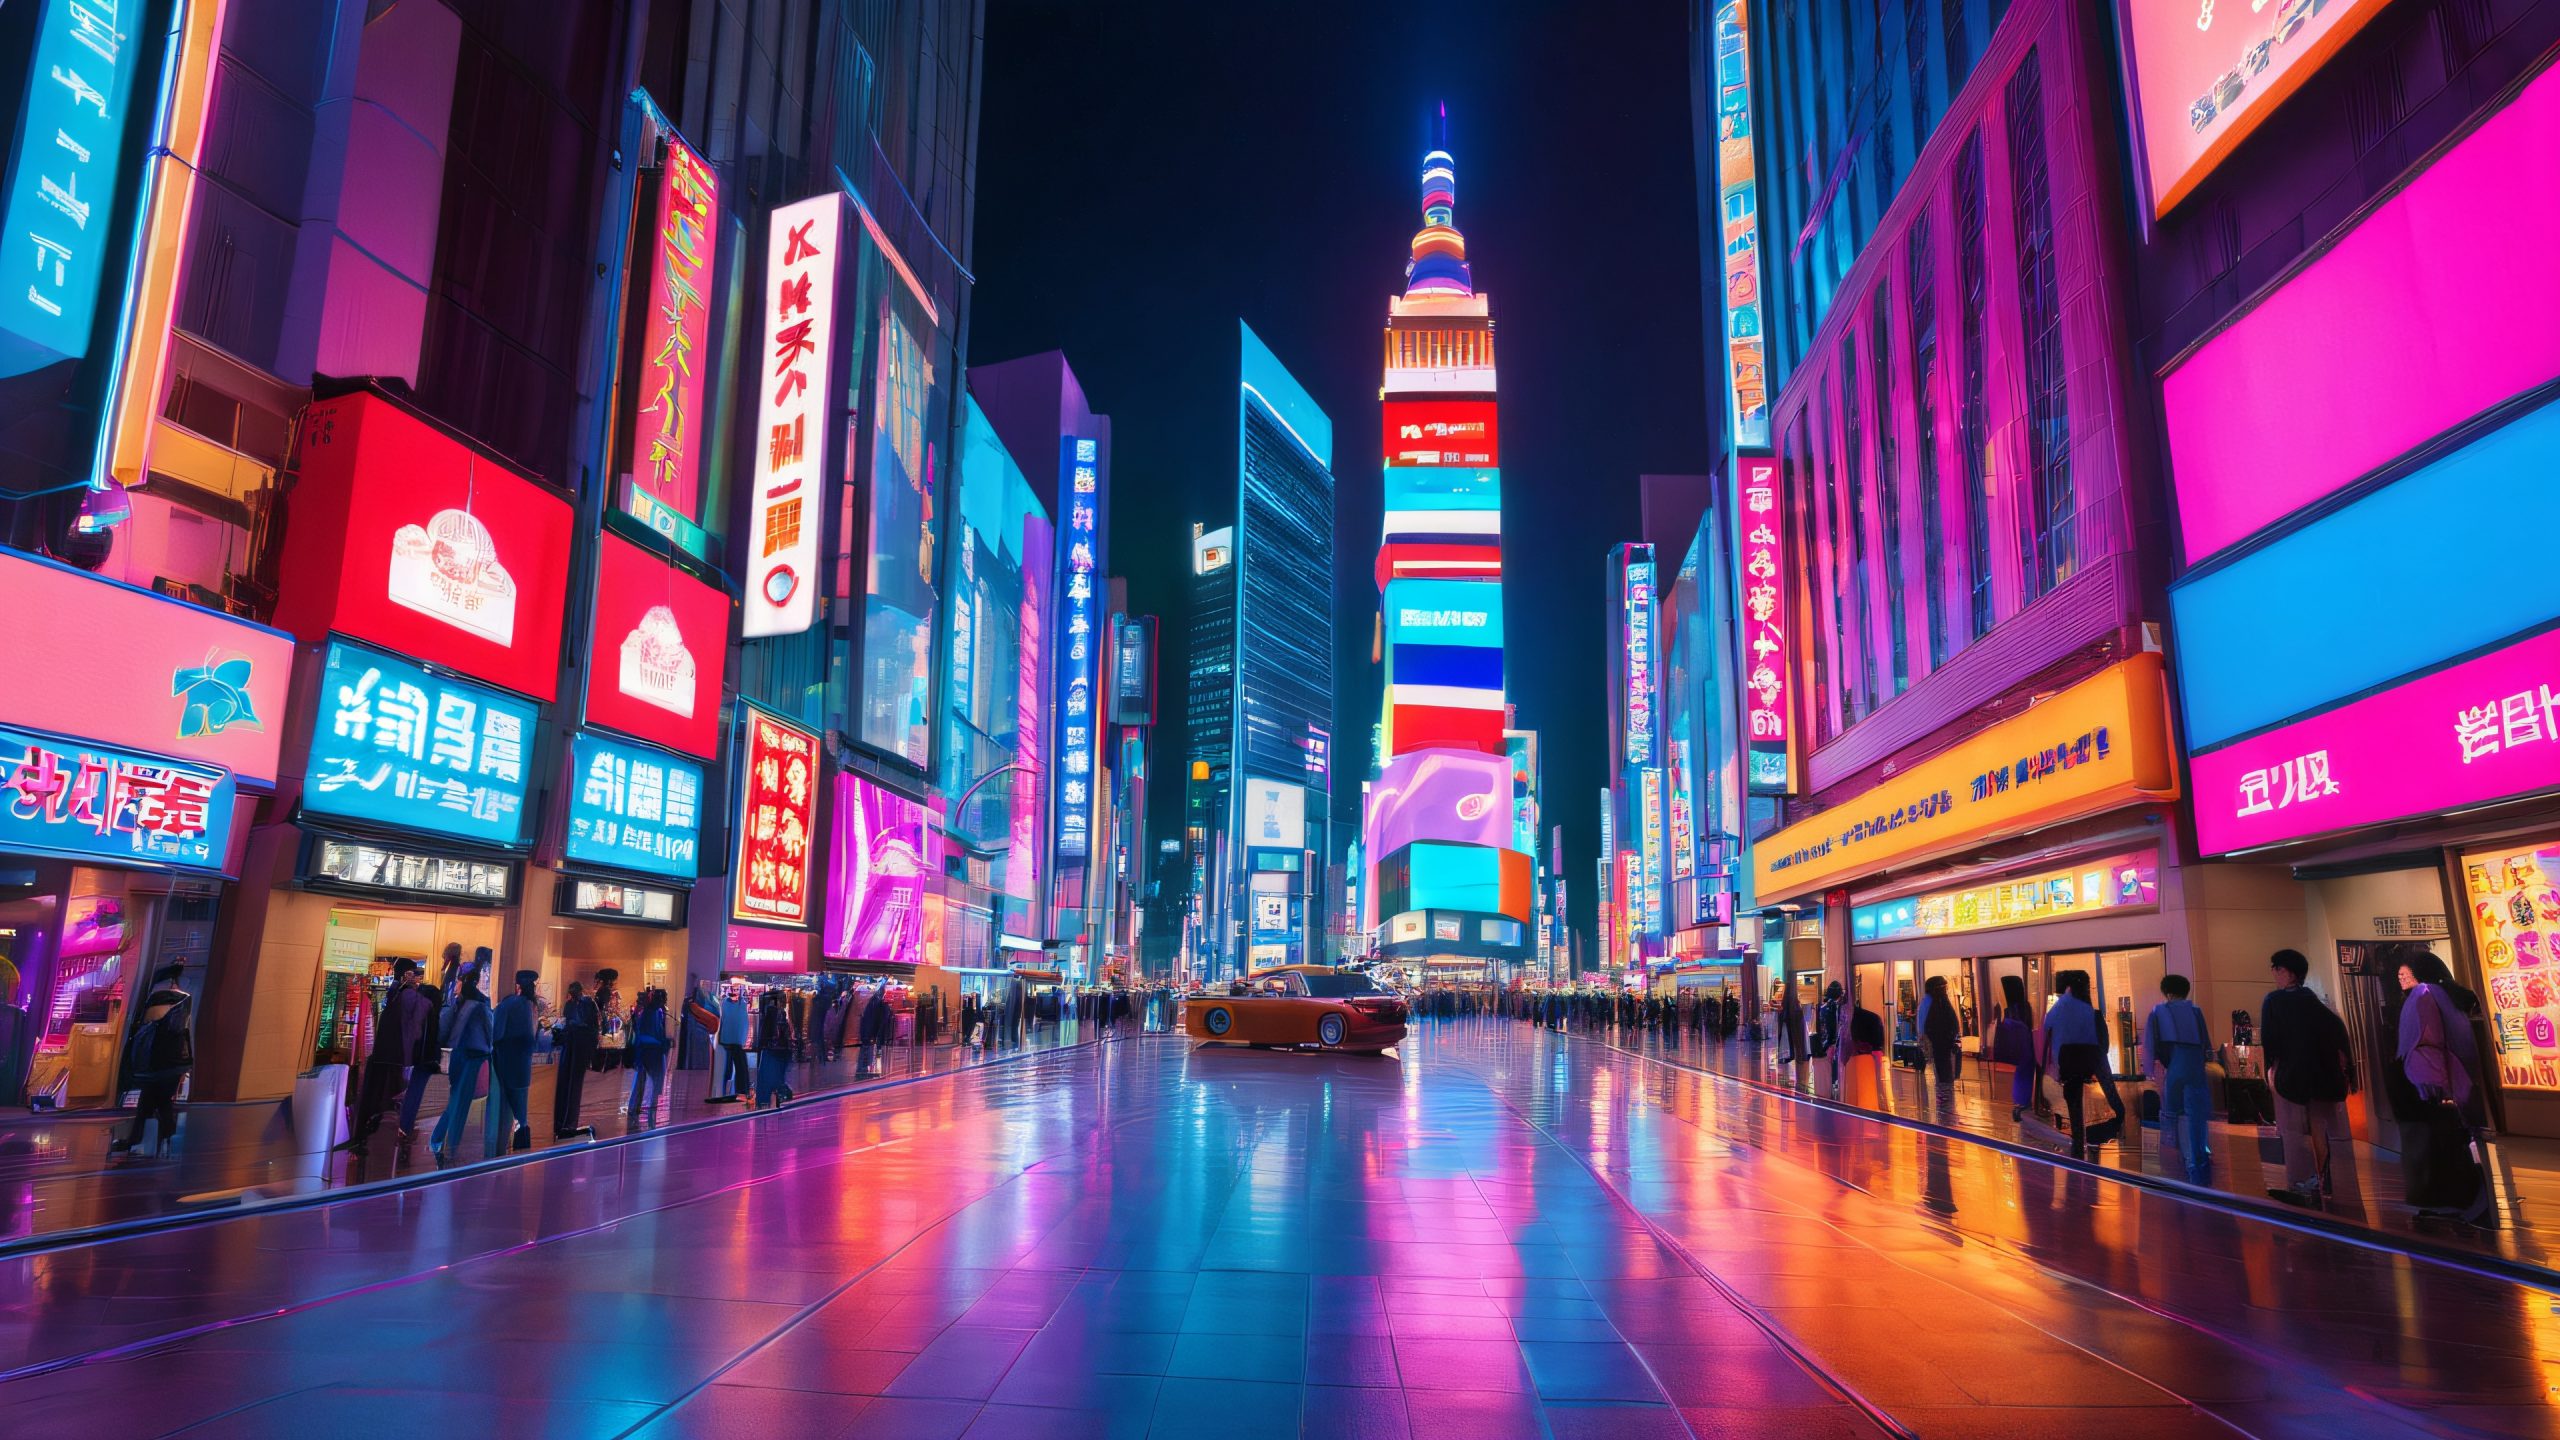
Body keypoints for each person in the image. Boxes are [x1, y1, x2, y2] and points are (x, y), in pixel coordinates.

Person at [2395, 949, 2492, 1226]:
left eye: (2405, 974)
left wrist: (2434, 1088)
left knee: (2440, 1147)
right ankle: (2465, 1203)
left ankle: (2452, 1204)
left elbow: (2428, 1043)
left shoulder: (2423, 995)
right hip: (2460, 1081)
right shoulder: (2448, 996)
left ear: (2422, 974)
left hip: (2437, 1085)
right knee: (2454, 1144)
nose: (2400, 980)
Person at [2261, 948, 2353, 1204]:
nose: (2274, 973)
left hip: (2291, 1076)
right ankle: (2327, 1181)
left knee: (2293, 1131)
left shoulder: (2274, 1001)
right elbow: (2340, 1038)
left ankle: (2301, 1183)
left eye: (2276, 968)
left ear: (2288, 972)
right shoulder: (2318, 1003)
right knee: (2321, 1129)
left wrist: (2270, 1070)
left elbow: (2270, 1041)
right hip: (2323, 1078)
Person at [348, 957, 435, 1154]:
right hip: (395, 1056)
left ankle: (365, 1137)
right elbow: (416, 1028)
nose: (418, 978)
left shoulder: (394, 992)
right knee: (389, 1099)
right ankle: (382, 1142)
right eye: (415, 973)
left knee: (376, 1097)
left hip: (382, 1054)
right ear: (407, 974)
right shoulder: (409, 996)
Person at [111, 963, 194, 1157]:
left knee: (150, 1101)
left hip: (154, 1064)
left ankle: (142, 1140)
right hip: (173, 1064)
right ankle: (162, 1139)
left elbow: (143, 1031)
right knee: (160, 1101)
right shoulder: (184, 1003)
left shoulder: (154, 1001)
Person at [2042, 971, 2123, 1159]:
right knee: (2110, 1092)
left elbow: (2049, 1030)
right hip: (2091, 1058)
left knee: (2075, 1103)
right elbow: (2101, 1042)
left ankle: (2079, 1145)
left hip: (2069, 1062)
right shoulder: (2090, 1011)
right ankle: (2115, 1123)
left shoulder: (2060, 1008)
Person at [2143, 975, 2215, 1186]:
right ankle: (2198, 1154)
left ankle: (2180, 1154)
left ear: (2167, 993)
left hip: (2174, 1064)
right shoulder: (2195, 1011)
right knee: (2196, 1112)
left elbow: (2151, 1044)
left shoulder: (2159, 1011)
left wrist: (2150, 1070)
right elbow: (2205, 1044)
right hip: (2195, 1065)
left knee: (2174, 1111)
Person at [430, 977, 492, 1163]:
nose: (455, 986)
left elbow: (443, 1031)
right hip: (473, 1057)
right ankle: (447, 1144)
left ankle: (440, 1140)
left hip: (458, 1055)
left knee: (456, 1099)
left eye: (458, 982)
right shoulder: (480, 1007)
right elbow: (490, 1032)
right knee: (460, 1102)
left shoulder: (458, 1006)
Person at [485, 970, 538, 1157]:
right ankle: (522, 1149)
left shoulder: (507, 1005)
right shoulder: (531, 1005)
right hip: (523, 1067)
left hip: (506, 1063)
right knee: (521, 1112)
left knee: (504, 1109)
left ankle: (499, 1151)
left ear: (517, 986)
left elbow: (496, 1035)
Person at [551, 980, 599, 1139]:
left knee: (576, 1083)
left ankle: (571, 1121)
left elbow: (592, 1026)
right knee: (567, 1083)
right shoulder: (571, 1005)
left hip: (581, 1046)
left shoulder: (587, 1004)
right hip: (571, 1045)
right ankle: (563, 1122)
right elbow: (567, 1024)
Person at [1991, 975, 2041, 1122]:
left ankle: (2021, 1102)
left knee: (2021, 1073)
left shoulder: (2006, 1008)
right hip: (2025, 1043)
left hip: (2017, 1044)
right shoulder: (2024, 1006)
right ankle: (2024, 1102)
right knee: (2025, 1072)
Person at [626, 987, 671, 1120]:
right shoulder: (652, 1013)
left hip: (645, 1051)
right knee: (654, 1082)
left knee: (641, 1081)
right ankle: (649, 1110)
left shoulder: (652, 1011)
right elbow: (649, 1034)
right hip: (652, 1052)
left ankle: (636, 1109)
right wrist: (663, 1042)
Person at [1839, 997, 1888, 1109]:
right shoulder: (1871, 1017)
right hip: (1874, 1052)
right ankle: (1880, 1103)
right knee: (1877, 1081)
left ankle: (1874, 1103)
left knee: (1870, 1081)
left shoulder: (1855, 1019)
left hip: (1867, 1054)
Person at [1919, 975, 1962, 1099]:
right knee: (1944, 1074)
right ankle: (1945, 1103)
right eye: (1943, 987)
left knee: (1944, 1073)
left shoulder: (1934, 1002)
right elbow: (1929, 1026)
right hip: (1941, 1044)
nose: (1946, 990)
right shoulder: (1933, 1003)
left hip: (1943, 1045)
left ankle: (1945, 1101)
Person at [754, 989, 796, 1107]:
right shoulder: (777, 1014)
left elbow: (767, 1033)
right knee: (775, 1079)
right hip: (777, 1051)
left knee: (766, 1081)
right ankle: (775, 1101)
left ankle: (764, 1103)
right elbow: (781, 1034)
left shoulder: (768, 1014)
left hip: (770, 1050)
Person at [716, 983, 753, 1100]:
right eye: (733, 989)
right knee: (727, 1068)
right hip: (727, 1041)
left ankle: (741, 1090)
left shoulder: (742, 1004)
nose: (735, 991)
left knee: (739, 1067)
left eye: (737, 989)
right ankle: (725, 1091)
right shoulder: (724, 1004)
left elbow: (744, 1023)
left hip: (736, 1042)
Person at [858, 984, 893, 1077]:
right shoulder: (878, 1004)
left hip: (868, 1032)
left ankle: (863, 1070)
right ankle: (864, 1069)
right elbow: (879, 1021)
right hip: (871, 1032)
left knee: (866, 1050)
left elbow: (871, 1019)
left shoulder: (871, 1003)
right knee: (867, 1050)